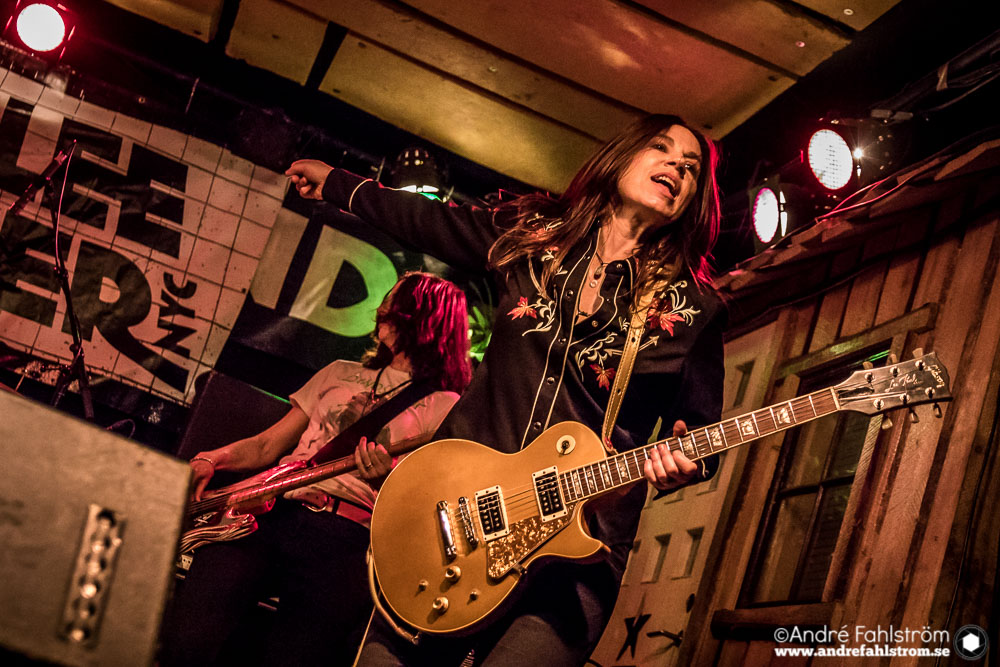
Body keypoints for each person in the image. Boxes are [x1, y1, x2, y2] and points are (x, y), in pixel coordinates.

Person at [286, 113, 725, 666]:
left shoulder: (694, 311)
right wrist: (339, 184)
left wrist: (685, 459)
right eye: (662, 149)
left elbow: (701, 433)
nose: (677, 167)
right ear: (622, 157)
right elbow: (432, 221)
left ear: (695, 199)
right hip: (456, 517)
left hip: (577, 552)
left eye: (692, 167)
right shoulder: (536, 237)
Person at [158, 271, 473, 667]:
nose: (380, 310)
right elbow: (267, 445)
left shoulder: (446, 405)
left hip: (346, 539)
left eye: (392, 303)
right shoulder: (338, 371)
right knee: (186, 639)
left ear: (421, 317)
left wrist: (385, 480)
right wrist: (211, 458)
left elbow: (424, 504)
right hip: (272, 511)